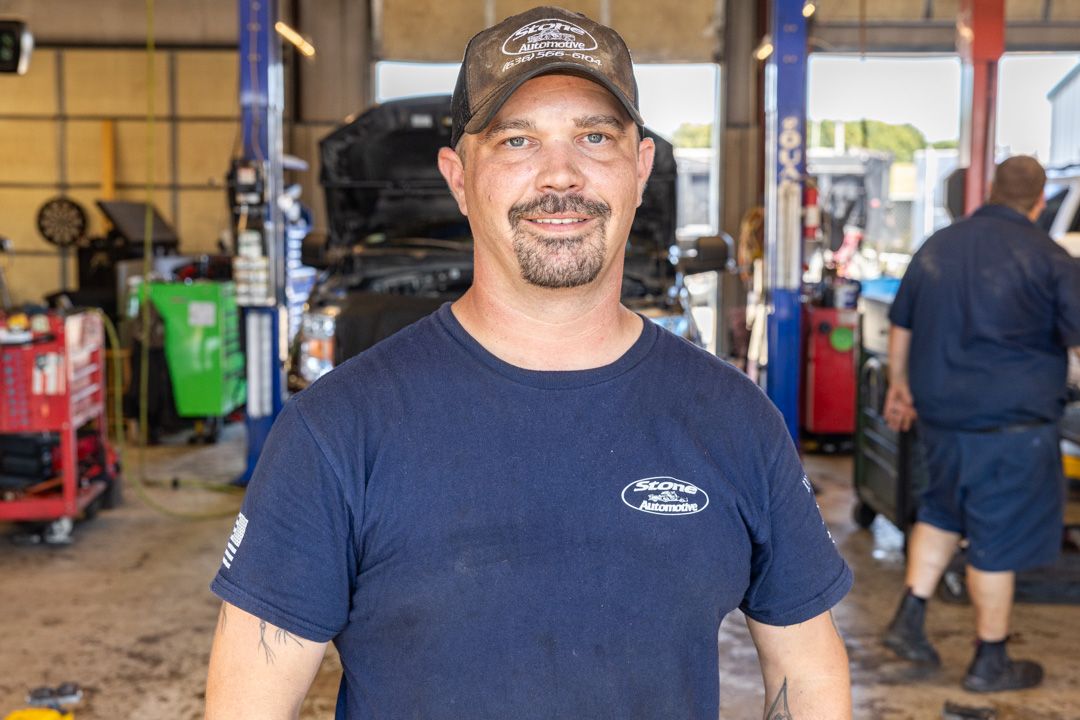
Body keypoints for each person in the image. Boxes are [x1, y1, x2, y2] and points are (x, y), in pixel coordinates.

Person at [204, 7, 852, 718]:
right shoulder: (337, 429)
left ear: (639, 168)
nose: (560, 175)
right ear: (458, 175)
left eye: (594, 136)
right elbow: (248, 701)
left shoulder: (734, 420)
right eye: (517, 140)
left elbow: (806, 666)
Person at [882, 155, 1080, 692]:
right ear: (1040, 201)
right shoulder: (1051, 258)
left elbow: (900, 324)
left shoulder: (939, 245)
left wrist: (899, 385)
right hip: (1011, 429)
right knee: (996, 535)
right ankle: (990, 660)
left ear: (990, 190)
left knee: (943, 511)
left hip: (942, 419)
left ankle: (910, 619)